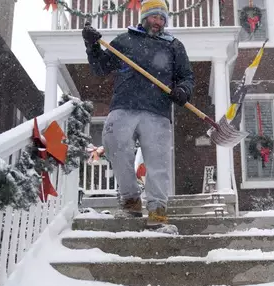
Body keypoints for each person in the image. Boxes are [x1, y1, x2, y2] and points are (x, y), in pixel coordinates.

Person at [82, 0, 194, 233]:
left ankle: (157, 209)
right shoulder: (125, 40)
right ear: (145, 18)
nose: (159, 22)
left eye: (162, 19)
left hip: (157, 110)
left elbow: (186, 77)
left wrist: (183, 90)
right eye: (155, 17)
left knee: (157, 161)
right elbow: (100, 68)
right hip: (124, 104)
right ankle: (131, 199)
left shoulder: (174, 45)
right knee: (114, 145)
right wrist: (91, 46)